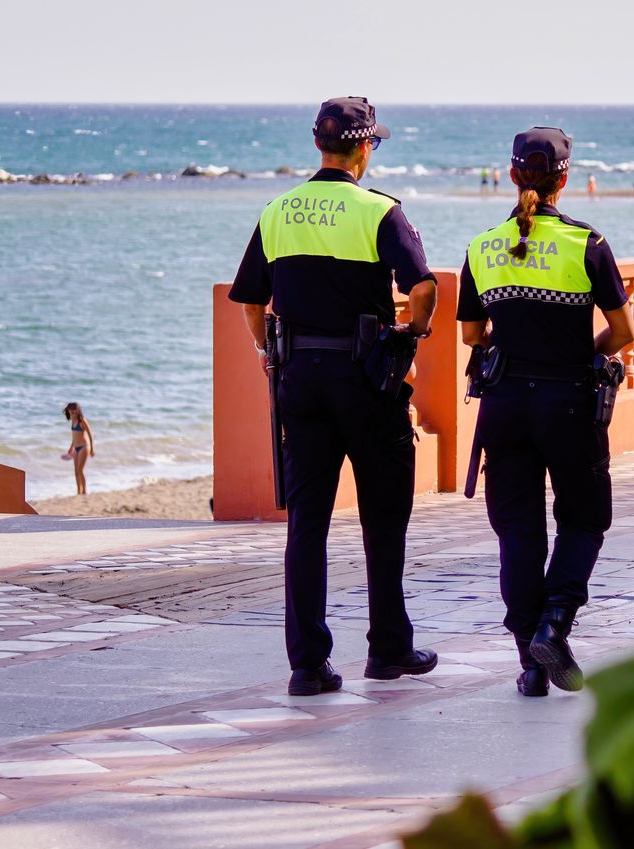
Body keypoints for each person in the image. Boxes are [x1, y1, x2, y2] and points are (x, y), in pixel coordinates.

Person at [229, 96, 440, 696]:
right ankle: (389, 649)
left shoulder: (278, 211)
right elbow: (421, 290)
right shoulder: (380, 211)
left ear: (318, 144)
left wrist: (268, 350)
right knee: (383, 517)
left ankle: (307, 665)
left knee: (307, 524)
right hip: (366, 380)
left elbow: (250, 301)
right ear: (366, 146)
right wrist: (410, 335)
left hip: (298, 379)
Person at [457, 127, 634, 697]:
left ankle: (530, 663)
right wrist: (582, 355)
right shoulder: (589, 245)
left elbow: (470, 335)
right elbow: (625, 333)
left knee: (518, 532)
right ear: (564, 178)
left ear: (513, 176)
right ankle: (554, 624)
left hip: (505, 406)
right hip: (569, 404)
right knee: (584, 520)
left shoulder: (481, 247)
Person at [63, 402, 94, 495]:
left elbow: (90, 434)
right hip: (75, 448)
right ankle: (78, 491)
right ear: (68, 410)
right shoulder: (73, 421)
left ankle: (84, 491)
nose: (73, 411)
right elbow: (75, 436)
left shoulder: (82, 421)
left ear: (78, 410)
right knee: (76, 471)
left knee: (80, 470)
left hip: (84, 447)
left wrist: (92, 449)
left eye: (75, 409)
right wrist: (71, 447)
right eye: (71, 409)